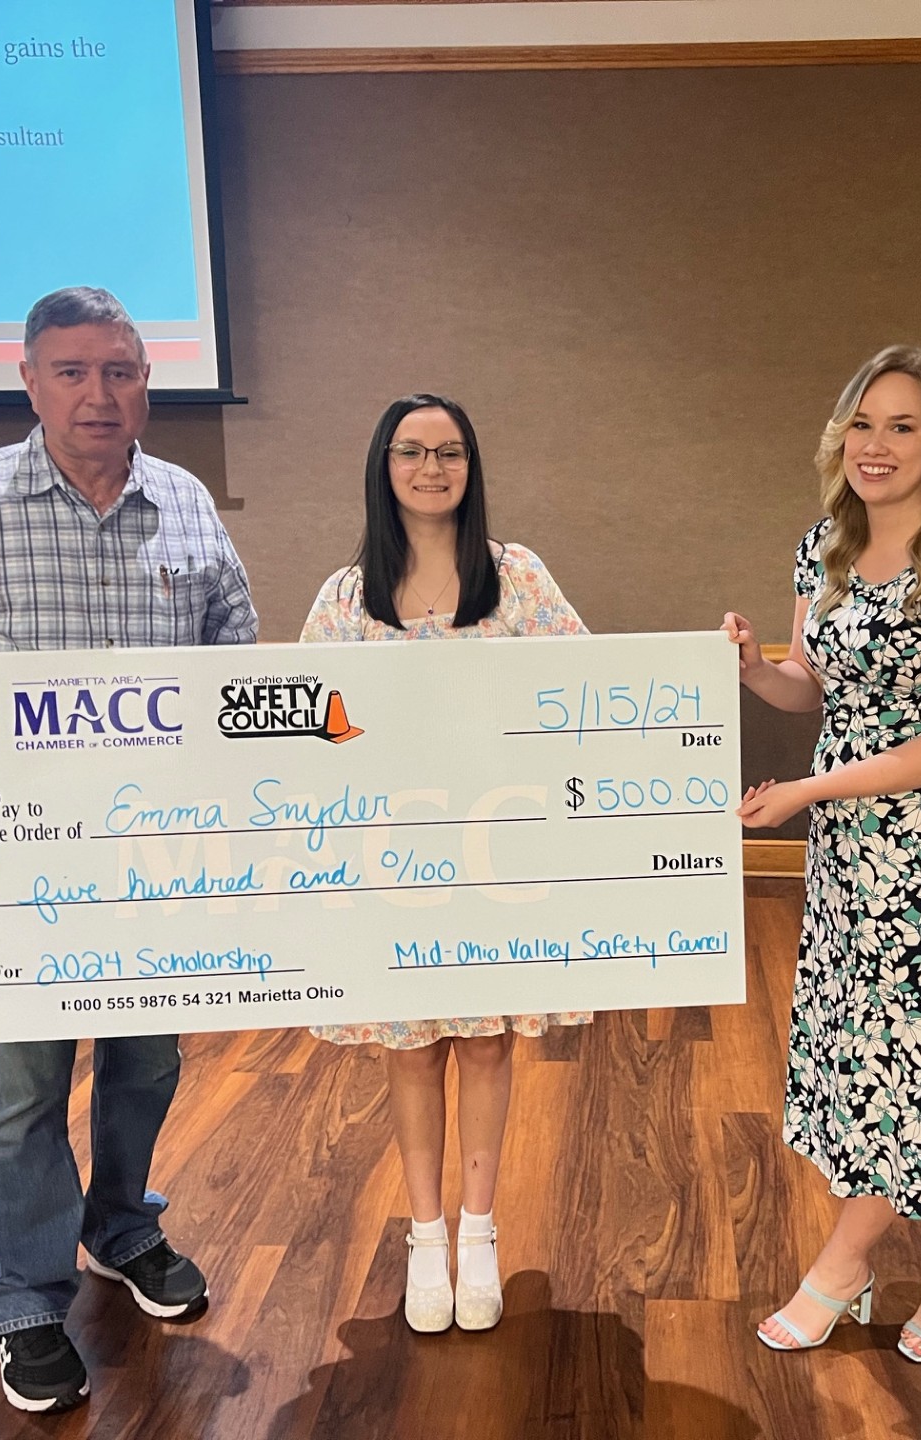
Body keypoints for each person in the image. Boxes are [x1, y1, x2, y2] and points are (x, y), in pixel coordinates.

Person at [0, 287, 257, 1413]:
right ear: (31, 382)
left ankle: (123, 1227)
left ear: (146, 383)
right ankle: (27, 1294)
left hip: (159, 856)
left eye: (121, 372)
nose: (100, 394)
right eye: (75, 372)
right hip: (18, 862)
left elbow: (235, 663)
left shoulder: (187, 503)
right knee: (24, 1085)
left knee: (149, 1061)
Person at [723, 343, 921, 1364]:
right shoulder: (825, 547)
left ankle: (840, 1268)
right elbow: (813, 689)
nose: (877, 445)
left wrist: (807, 792)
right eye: (862, 424)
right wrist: (752, 667)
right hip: (852, 860)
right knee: (872, 1055)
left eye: (902, 426)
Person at [299, 392, 588, 1334]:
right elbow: (308, 729)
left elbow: (588, 682)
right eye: (412, 451)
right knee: (412, 1046)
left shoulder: (519, 576)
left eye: (450, 452)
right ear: (383, 466)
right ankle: (426, 1235)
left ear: (472, 466)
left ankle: (479, 1229)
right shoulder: (345, 598)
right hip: (394, 864)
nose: (432, 468)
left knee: (488, 1041)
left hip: (498, 857)